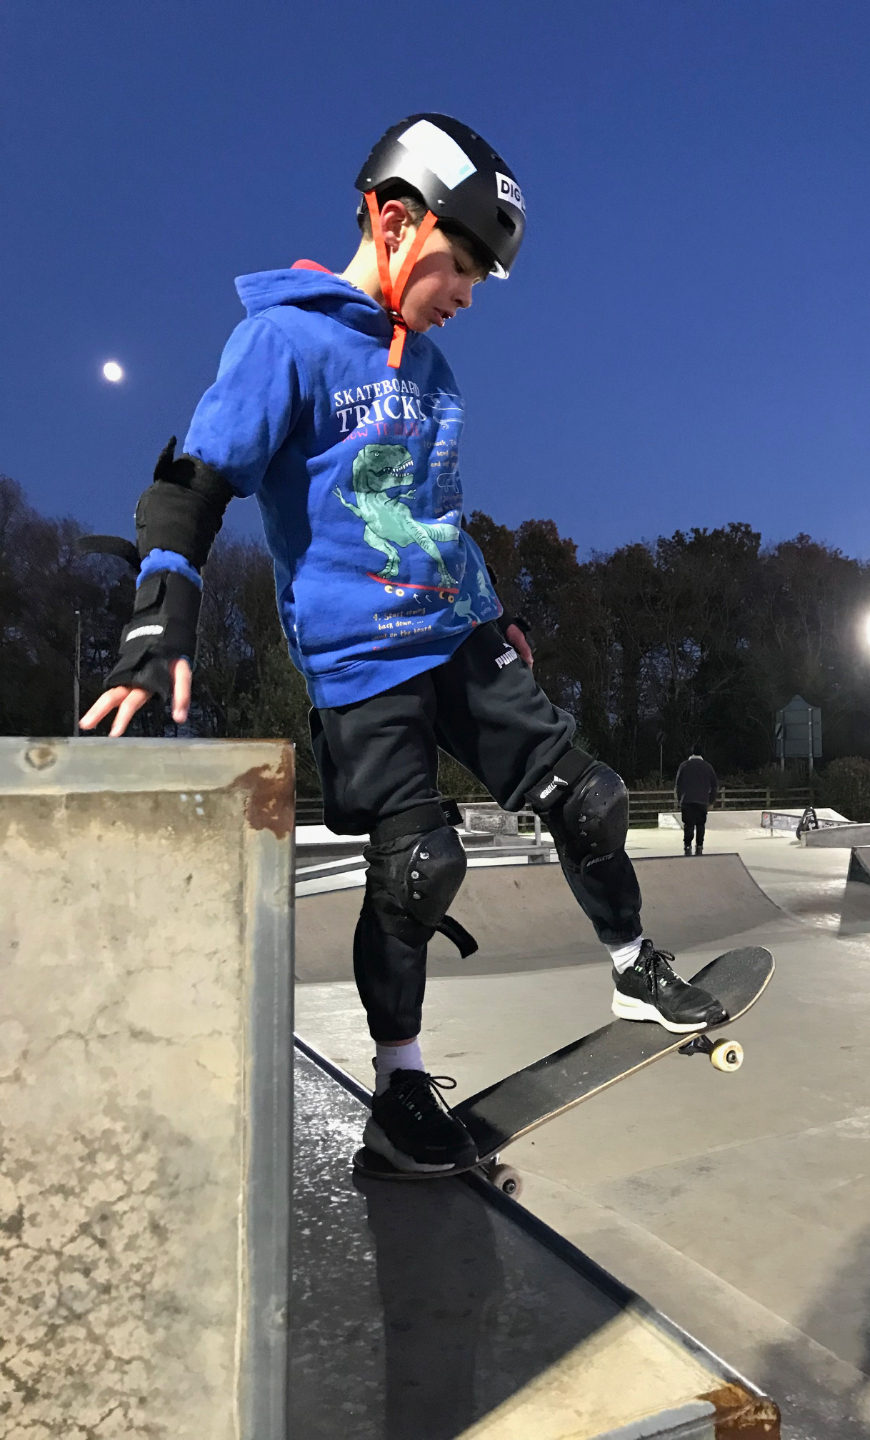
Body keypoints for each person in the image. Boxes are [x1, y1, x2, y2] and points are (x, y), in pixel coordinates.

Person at [80, 113, 726, 1174]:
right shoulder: (281, 342)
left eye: (479, 276)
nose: (467, 293)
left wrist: (499, 612)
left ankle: (632, 965)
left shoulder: (433, 372)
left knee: (593, 798)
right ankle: (399, 1086)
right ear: (393, 222)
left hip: (457, 632)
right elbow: (194, 478)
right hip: (360, 662)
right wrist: (161, 613)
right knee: (420, 865)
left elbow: (440, 517)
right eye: (459, 264)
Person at [674, 751, 718, 855]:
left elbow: (678, 784)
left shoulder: (684, 765)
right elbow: (715, 785)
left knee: (688, 824)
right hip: (702, 801)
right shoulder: (707, 766)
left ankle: (687, 845)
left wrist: (679, 799)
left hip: (687, 800)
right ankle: (699, 846)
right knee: (700, 824)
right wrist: (711, 801)